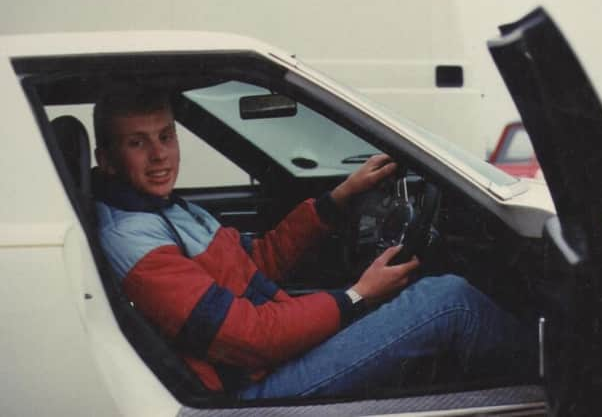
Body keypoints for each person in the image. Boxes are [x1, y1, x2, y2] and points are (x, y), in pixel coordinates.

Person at [92, 84, 534, 399]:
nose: (160, 155)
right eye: (138, 143)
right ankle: (560, 386)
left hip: (266, 360)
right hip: (254, 390)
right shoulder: (135, 241)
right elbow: (250, 338)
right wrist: (357, 296)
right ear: (106, 160)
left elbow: (256, 264)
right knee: (449, 301)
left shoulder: (167, 209)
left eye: (165, 136)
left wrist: (338, 200)